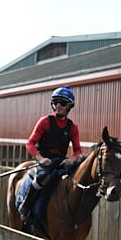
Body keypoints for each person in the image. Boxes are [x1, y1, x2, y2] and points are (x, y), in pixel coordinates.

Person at [17, 86, 86, 224]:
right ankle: (25, 206)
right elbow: (30, 144)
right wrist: (41, 159)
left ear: (69, 107)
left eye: (62, 103)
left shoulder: (73, 127)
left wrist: (71, 160)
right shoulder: (45, 122)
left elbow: (78, 151)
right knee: (43, 176)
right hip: (45, 161)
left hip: (61, 161)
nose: (58, 106)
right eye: (56, 103)